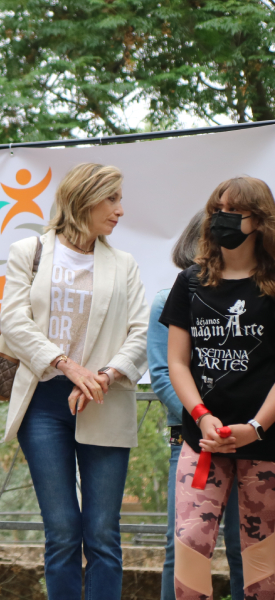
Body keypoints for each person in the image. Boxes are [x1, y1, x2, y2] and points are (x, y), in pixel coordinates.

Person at [0, 163, 149, 599]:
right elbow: (13, 321)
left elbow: (141, 332)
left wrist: (103, 374)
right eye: (113, 199)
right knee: (63, 529)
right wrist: (68, 366)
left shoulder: (124, 264)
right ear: (84, 198)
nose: (120, 210)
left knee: (103, 533)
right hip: (44, 403)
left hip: (105, 398)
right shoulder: (30, 251)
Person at [160, 176, 275, 600]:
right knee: (191, 544)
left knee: (263, 562)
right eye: (217, 209)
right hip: (202, 440)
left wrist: (257, 426)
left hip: (264, 441)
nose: (222, 219)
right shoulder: (191, 282)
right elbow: (177, 361)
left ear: (258, 221)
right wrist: (201, 416)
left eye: (234, 211)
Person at [148, 212, 245, 600]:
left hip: (249, 440)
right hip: (191, 442)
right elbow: (163, 374)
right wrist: (206, 424)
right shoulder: (167, 300)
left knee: (248, 547)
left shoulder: (256, 295)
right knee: (185, 548)